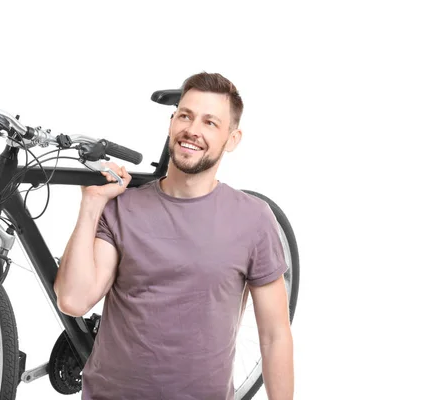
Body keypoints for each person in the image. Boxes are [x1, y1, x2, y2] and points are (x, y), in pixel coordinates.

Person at [54, 72, 294, 400]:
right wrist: (92, 204)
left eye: (210, 122)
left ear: (232, 139)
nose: (192, 130)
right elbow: (73, 299)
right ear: (171, 122)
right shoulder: (123, 208)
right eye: (185, 116)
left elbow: (275, 335)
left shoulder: (253, 220)